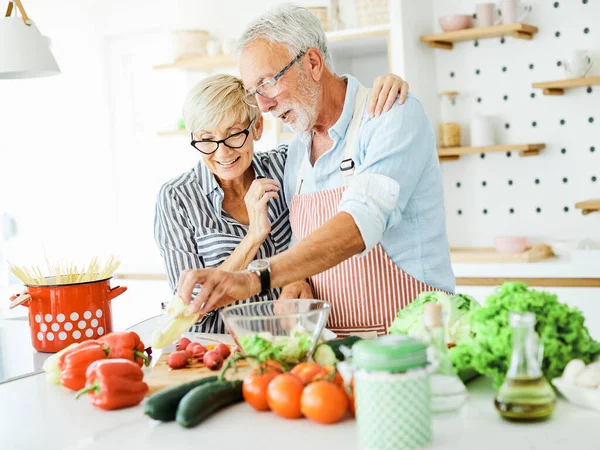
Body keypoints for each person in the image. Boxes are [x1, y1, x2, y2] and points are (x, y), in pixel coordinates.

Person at [176, 4, 456, 337]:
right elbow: (304, 242)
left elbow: (360, 223)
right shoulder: (297, 151)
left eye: (267, 83)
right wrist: (298, 279)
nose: (262, 105)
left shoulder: (390, 117)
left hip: (416, 339)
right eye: (254, 92)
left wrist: (256, 278)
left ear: (312, 63)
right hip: (333, 348)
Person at [154, 72, 408, 333]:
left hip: (291, 344)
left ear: (257, 128)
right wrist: (253, 236)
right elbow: (188, 308)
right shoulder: (177, 198)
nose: (222, 152)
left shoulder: (286, 163)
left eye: (233, 135)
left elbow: (341, 139)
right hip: (217, 351)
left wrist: (374, 94)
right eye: (207, 139)